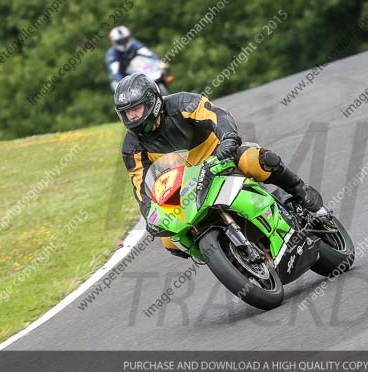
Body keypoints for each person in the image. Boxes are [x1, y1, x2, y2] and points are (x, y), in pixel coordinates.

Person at [115, 73, 324, 255]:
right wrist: (149, 213)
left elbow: (216, 115)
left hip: (221, 159)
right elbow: (140, 184)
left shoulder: (181, 103)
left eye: (137, 109)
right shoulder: (131, 146)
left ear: (153, 102)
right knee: (169, 239)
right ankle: (226, 253)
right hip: (185, 187)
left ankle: (301, 192)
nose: (132, 116)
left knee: (256, 160)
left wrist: (229, 139)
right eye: (126, 112)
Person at [105, 26, 159, 91]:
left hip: (140, 73)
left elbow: (149, 54)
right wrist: (124, 82)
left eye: (125, 40)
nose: (123, 43)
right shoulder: (112, 53)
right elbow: (114, 72)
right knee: (116, 86)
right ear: (115, 42)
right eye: (120, 41)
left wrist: (158, 62)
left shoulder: (134, 44)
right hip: (126, 79)